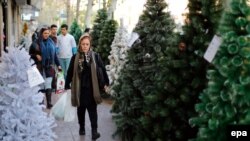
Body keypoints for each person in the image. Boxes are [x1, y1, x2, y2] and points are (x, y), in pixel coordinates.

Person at [65, 34, 109, 140]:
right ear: (80, 44)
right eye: (83, 44)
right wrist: (67, 84)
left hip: (92, 89)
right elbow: (70, 72)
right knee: (81, 110)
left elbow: (102, 69)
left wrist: (106, 82)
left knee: (93, 111)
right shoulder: (75, 57)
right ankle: (82, 127)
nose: (85, 46)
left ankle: (94, 131)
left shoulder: (95, 56)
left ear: (90, 45)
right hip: (79, 89)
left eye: (87, 44)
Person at [29, 27, 62, 109]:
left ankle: (49, 103)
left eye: (48, 33)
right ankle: (40, 102)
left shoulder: (52, 43)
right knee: (39, 85)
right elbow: (29, 55)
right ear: (41, 34)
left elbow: (54, 56)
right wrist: (35, 55)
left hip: (49, 67)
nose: (46, 35)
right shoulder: (35, 43)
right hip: (38, 67)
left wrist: (58, 65)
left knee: (48, 85)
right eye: (45, 33)